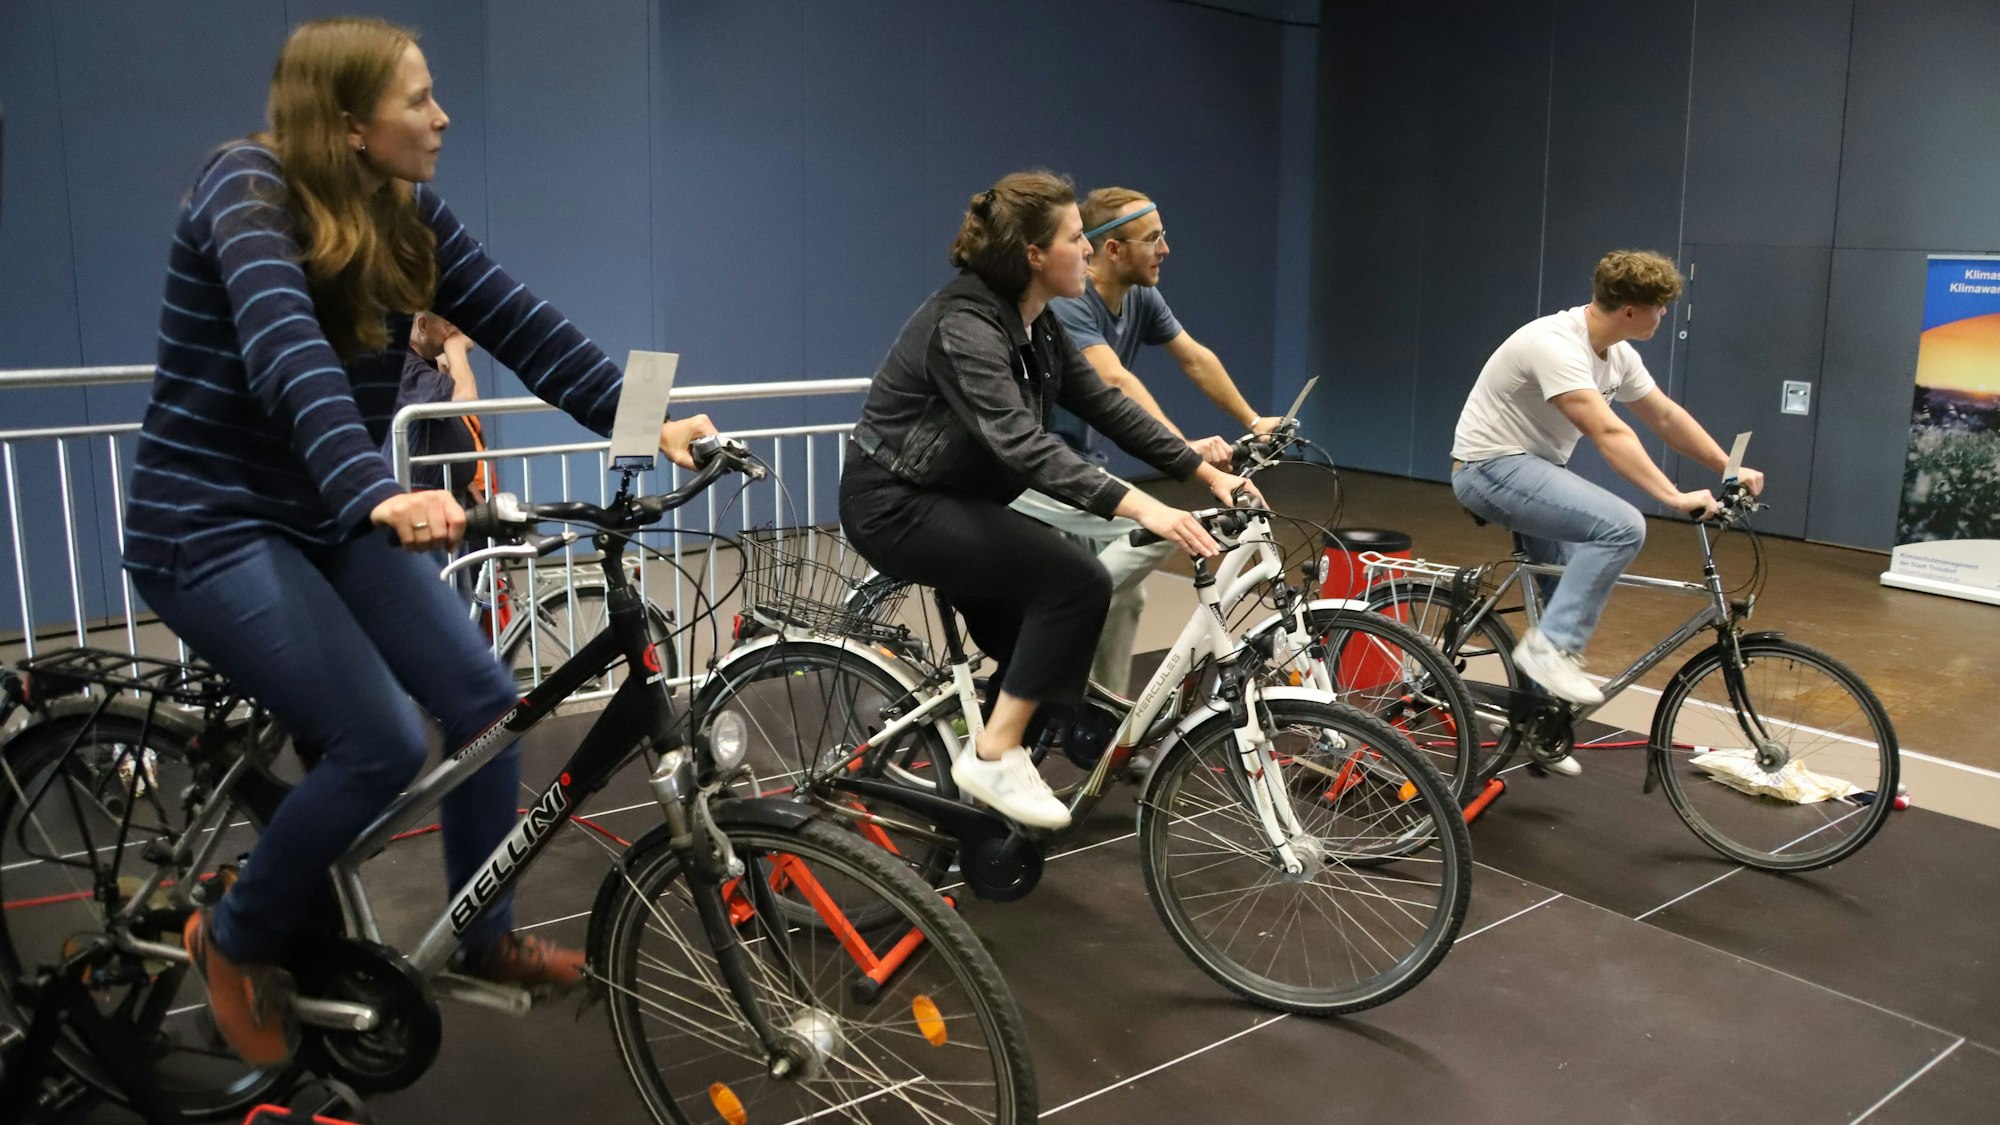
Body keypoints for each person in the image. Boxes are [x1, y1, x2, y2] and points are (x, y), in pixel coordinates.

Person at [123, 18, 717, 1066]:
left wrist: (650, 422)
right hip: (208, 520)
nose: (441, 117)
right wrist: (374, 491)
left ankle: (477, 941)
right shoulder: (245, 191)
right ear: (350, 124)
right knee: (382, 742)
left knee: (488, 704)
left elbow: (525, 327)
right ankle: (233, 935)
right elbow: (285, 355)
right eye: (418, 100)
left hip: (324, 512)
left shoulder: (403, 213)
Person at [840, 170, 1259, 831]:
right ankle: (993, 752)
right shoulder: (966, 326)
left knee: (1039, 649)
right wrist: (1143, 506)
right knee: (1076, 581)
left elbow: (1106, 405)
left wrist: (1202, 474)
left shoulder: (1036, 324)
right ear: (1034, 254)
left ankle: (988, 796)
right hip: (896, 502)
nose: (1089, 250)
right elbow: (1021, 444)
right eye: (1075, 238)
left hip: (954, 498)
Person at [1450, 250, 1764, 772]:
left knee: (1561, 591)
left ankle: (1535, 722)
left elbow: (1663, 414)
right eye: (1659, 308)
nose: (1663, 317)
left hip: (1534, 470)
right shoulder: (1555, 344)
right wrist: (1672, 496)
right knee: (1620, 527)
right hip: (1488, 469)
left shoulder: (1615, 353)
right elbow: (1609, 432)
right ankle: (1550, 652)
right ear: (1629, 312)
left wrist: (1726, 466)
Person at [1013, 187, 1280, 696]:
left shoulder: (1141, 297)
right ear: (1111, 249)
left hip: (1079, 458)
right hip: (1036, 462)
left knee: (1126, 598)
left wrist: (1254, 418)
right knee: (1157, 535)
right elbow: (1115, 383)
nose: (1166, 249)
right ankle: (1046, 642)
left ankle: (1105, 724)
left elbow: (1194, 358)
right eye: (1153, 238)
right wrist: (1184, 449)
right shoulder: (1071, 304)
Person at [395, 310, 488, 501]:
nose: (457, 330)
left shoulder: (427, 363)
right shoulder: (406, 364)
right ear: (422, 325)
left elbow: (444, 436)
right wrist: (456, 346)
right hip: (423, 497)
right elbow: (465, 400)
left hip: (450, 492)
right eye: (449, 323)